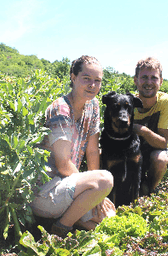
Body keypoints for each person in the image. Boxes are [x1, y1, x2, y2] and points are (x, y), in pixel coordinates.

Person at [31, 55, 115, 237]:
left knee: (109, 216)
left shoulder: (92, 106)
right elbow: (62, 165)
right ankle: (61, 227)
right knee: (105, 179)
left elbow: (92, 151)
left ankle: (69, 217)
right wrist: (96, 185)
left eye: (97, 80)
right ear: (73, 77)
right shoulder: (60, 110)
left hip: (67, 186)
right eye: (86, 79)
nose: (92, 85)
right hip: (45, 192)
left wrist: (97, 194)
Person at [133, 57, 168, 196]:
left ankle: (149, 189)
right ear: (136, 80)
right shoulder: (128, 103)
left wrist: (141, 130)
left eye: (154, 78)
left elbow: (163, 143)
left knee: (161, 159)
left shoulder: (165, 102)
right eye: (144, 77)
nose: (149, 82)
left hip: (155, 150)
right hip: (132, 151)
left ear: (161, 81)